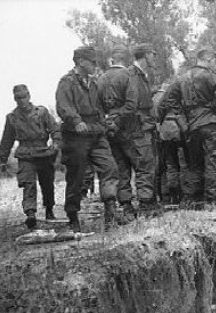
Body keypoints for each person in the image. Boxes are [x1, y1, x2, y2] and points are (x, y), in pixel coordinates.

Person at [56, 45, 123, 232]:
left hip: (95, 133)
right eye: (92, 62)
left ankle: (110, 211)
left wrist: (104, 122)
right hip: (76, 136)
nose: (95, 65)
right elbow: (63, 106)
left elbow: (99, 108)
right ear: (80, 62)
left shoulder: (93, 84)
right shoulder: (66, 82)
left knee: (110, 168)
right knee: (77, 177)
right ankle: (72, 216)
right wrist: (76, 121)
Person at [163, 46, 216, 208]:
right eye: (214, 61)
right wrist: (215, 104)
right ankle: (211, 200)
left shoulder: (182, 78)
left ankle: (193, 198)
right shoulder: (209, 76)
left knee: (194, 163)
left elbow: (168, 98)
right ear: (208, 60)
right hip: (210, 123)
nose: (215, 64)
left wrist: (181, 116)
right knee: (213, 161)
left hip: (191, 125)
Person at [0, 84, 61, 229]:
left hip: (44, 152)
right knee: (28, 183)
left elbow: (54, 128)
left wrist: (56, 142)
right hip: (25, 154)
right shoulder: (12, 118)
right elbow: (6, 139)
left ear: (29, 96)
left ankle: (49, 210)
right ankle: (30, 213)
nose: (21, 101)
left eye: (24, 97)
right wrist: (3, 159)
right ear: (15, 99)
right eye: (18, 98)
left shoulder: (42, 112)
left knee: (47, 183)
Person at [97, 44, 138, 220]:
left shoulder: (101, 79)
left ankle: (125, 203)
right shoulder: (128, 76)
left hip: (108, 128)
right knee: (140, 164)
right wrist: (118, 122)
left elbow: (96, 106)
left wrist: (108, 123)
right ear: (125, 60)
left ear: (111, 59)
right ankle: (141, 204)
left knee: (119, 166)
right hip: (128, 127)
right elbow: (131, 104)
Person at [126, 43, 159, 215]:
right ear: (145, 55)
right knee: (144, 164)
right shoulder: (132, 74)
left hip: (145, 125)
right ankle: (146, 205)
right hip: (138, 127)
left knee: (148, 163)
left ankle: (147, 201)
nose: (154, 57)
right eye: (153, 54)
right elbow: (132, 103)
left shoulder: (142, 75)